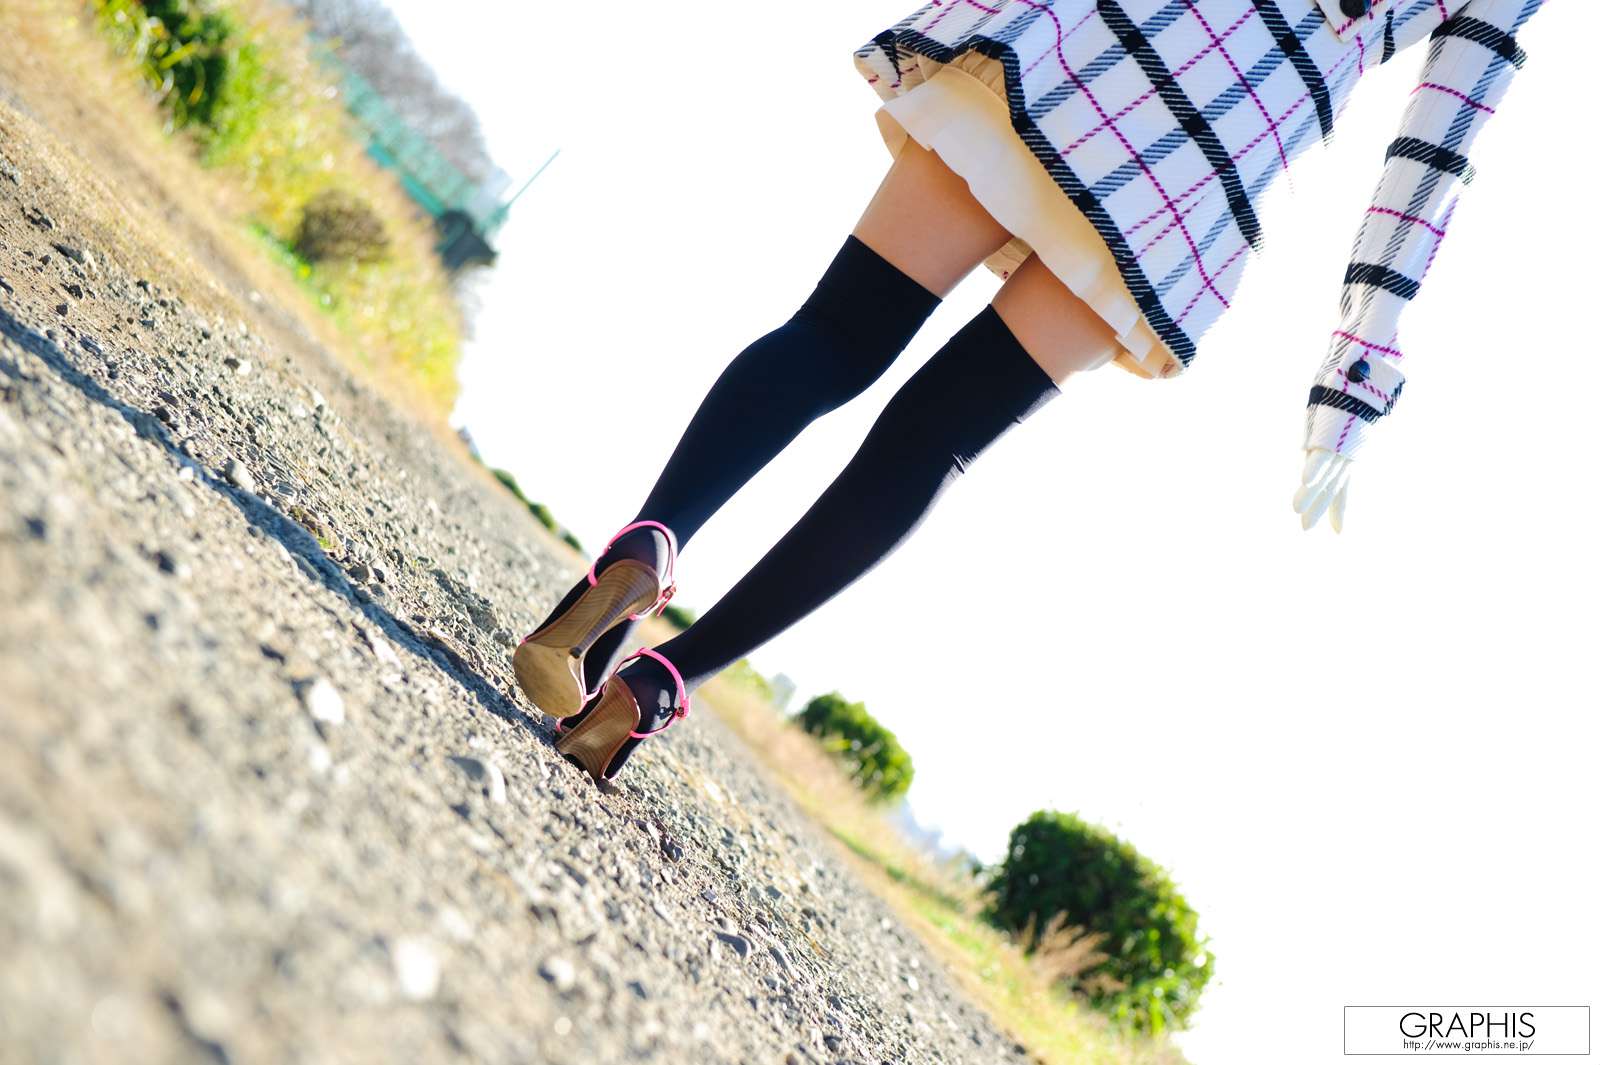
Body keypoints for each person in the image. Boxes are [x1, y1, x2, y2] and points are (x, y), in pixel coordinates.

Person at [514, 0, 1547, 782]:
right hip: (1204, 171)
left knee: (836, 331)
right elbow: (1429, 161)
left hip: (1092, 48)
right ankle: (661, 685)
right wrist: (1353, 378)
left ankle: (650, 544)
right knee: (929, 446)